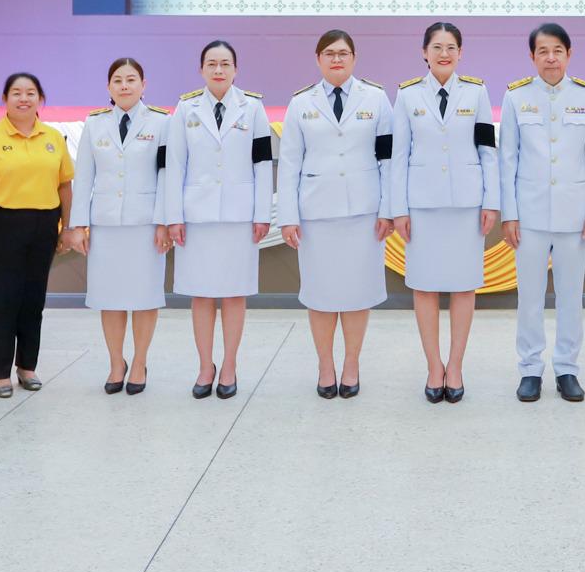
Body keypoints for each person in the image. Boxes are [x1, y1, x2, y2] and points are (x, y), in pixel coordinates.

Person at [277, 29, 394, 397]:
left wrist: (389, 209)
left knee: (358, 293)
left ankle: (352, 364)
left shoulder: (376, 98)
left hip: (364, 213)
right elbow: (290, 163)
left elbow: (388, 159)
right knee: (321, 294)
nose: (337, 59)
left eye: (343, 53)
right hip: (317, 214)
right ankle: (325, 365)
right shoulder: (301, 103)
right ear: (318, 59)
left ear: (354, 58)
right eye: (329, 53)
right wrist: (288, 216)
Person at [388, 22, 498, 404]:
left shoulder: (477, 92)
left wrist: (491, 201)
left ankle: (456, 366)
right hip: (422, 206)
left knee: (464, 286)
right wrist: (398, 209)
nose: (444, 53)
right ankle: (434, 366)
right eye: (437, 47)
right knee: (424, 286)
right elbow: (398, 156)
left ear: (460, 53)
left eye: (451, 47)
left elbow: (487, 150)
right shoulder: (406, 95)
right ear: (424, 52)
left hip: (467, 205)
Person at [499, 23, 585, 402]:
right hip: (528, 216)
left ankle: (567, 368)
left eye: (557, 50)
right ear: (532, 56)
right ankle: (530, 369)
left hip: (574, 215)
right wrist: (509, 214)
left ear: (569, 54)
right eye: (543, 51)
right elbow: (507, 160)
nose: (551, 58)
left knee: (570, 296)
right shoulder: (515, 97)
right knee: (529, 297)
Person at [160, 41, 271, 400]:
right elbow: (174, 165)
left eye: (225, 64)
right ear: (201, 69)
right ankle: (205, 366)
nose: (219, 70)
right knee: (202, 295)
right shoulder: (185, 108)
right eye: (212, 63)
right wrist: (173, 216)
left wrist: (262, 213)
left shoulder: (253, 107)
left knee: (235, 294)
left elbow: (262, 163)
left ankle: (229, 366)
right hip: (197, 217)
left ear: (236, 69)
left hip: (240, 217)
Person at [0, 72, 75, 398]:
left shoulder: (53, 138)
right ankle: (0, 374)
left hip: (44, 226)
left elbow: (65, 186)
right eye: (16, 93)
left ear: (40, 99)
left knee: (33, 300)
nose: (24, 98)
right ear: (5, 99)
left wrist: (67, 227)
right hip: (2, 225)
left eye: (30, 93)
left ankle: (27, 367)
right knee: (3, 300)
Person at [74, 58, 170, 396]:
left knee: (145, 297)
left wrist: (164, 221)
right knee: (110, 298)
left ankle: (140, 362)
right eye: (118, 80)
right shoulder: (94, 123)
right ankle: (117, 363)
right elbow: (84, 176)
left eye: (131, 79)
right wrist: (78, 225)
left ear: (144, 85)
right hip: (106, 225)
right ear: (108, 87)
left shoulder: (162, 122)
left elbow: (166, 175)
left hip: (146, 226)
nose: (125, 85)